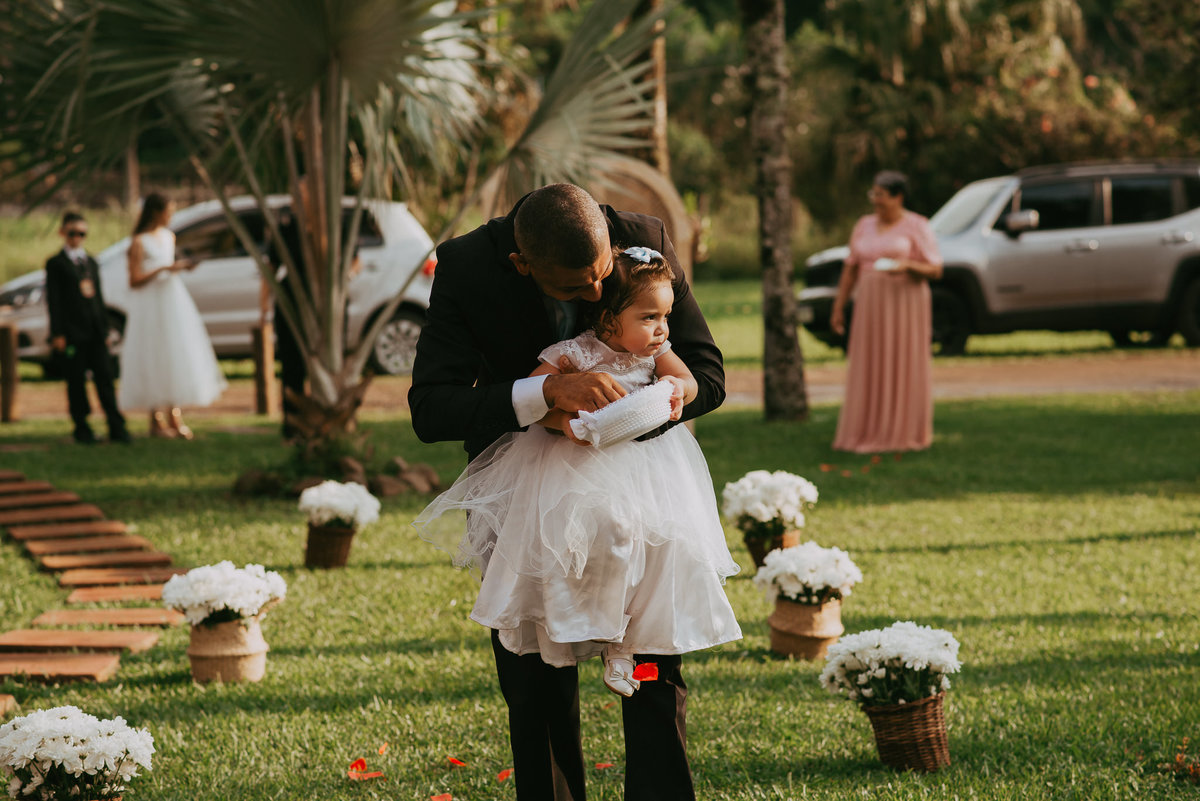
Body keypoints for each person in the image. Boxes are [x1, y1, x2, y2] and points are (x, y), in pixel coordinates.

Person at [409, 183, 726, 801]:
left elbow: (707, 376)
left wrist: (624, 421)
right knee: (534, 673)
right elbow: (432, 407)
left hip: (641, 491)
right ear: (521, 266)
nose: (594, 295)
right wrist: (547, 398)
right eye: (572, 286)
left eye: (601, 274)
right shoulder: (469, 265)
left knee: (653, 657)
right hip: (525, 494)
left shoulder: (647, 240)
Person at [416, 244, 741, 695]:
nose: (662, 329)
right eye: (649, 318)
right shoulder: (573, 353)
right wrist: (561, 416)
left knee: (651, 550)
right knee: (588, 542)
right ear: (609, 319)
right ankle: (571, 631)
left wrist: (672, 390)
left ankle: (625, 646)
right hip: (571, 469)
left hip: (648, 470)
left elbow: (692, 381)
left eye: (665, 317)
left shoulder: (655, 352)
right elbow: (537, 392)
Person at [830, 170, 943, 453]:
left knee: (900, 361)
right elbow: (851, 267)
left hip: (905, 303)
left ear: (898, 197)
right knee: (869, 361)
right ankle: (865, 430)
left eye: (881, 195)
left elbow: (935, 268)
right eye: (874, 194)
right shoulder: (863, 224)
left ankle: (901, 431)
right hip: (870, 303)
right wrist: (838, 306)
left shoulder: (917, 226)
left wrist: (907, 265)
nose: (876, 200)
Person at [118, 192, 226, 439]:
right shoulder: (138, 242)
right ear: (156, 212)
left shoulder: (169, 237)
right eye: (169, 210)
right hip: (149, 304)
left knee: (174, 352)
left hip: (171, 301)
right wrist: (164, 268)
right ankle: (155, 417)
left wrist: (181, 267)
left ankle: (173, 414)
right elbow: (134, 279)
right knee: (152, 353)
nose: (171, 216)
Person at [44, 212, 130, 444]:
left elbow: (99, 299)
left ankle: (116, 425)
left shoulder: (90, 262)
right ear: (63, 233)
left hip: (94, 332)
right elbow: (54, 301)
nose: (77, 238)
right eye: (72, 233)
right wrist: (58, 333)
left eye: (82, 233)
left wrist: (104, 331)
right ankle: (82, 427)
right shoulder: (56, 264)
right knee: (76, 382)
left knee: (105, 378)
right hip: (72, 333)